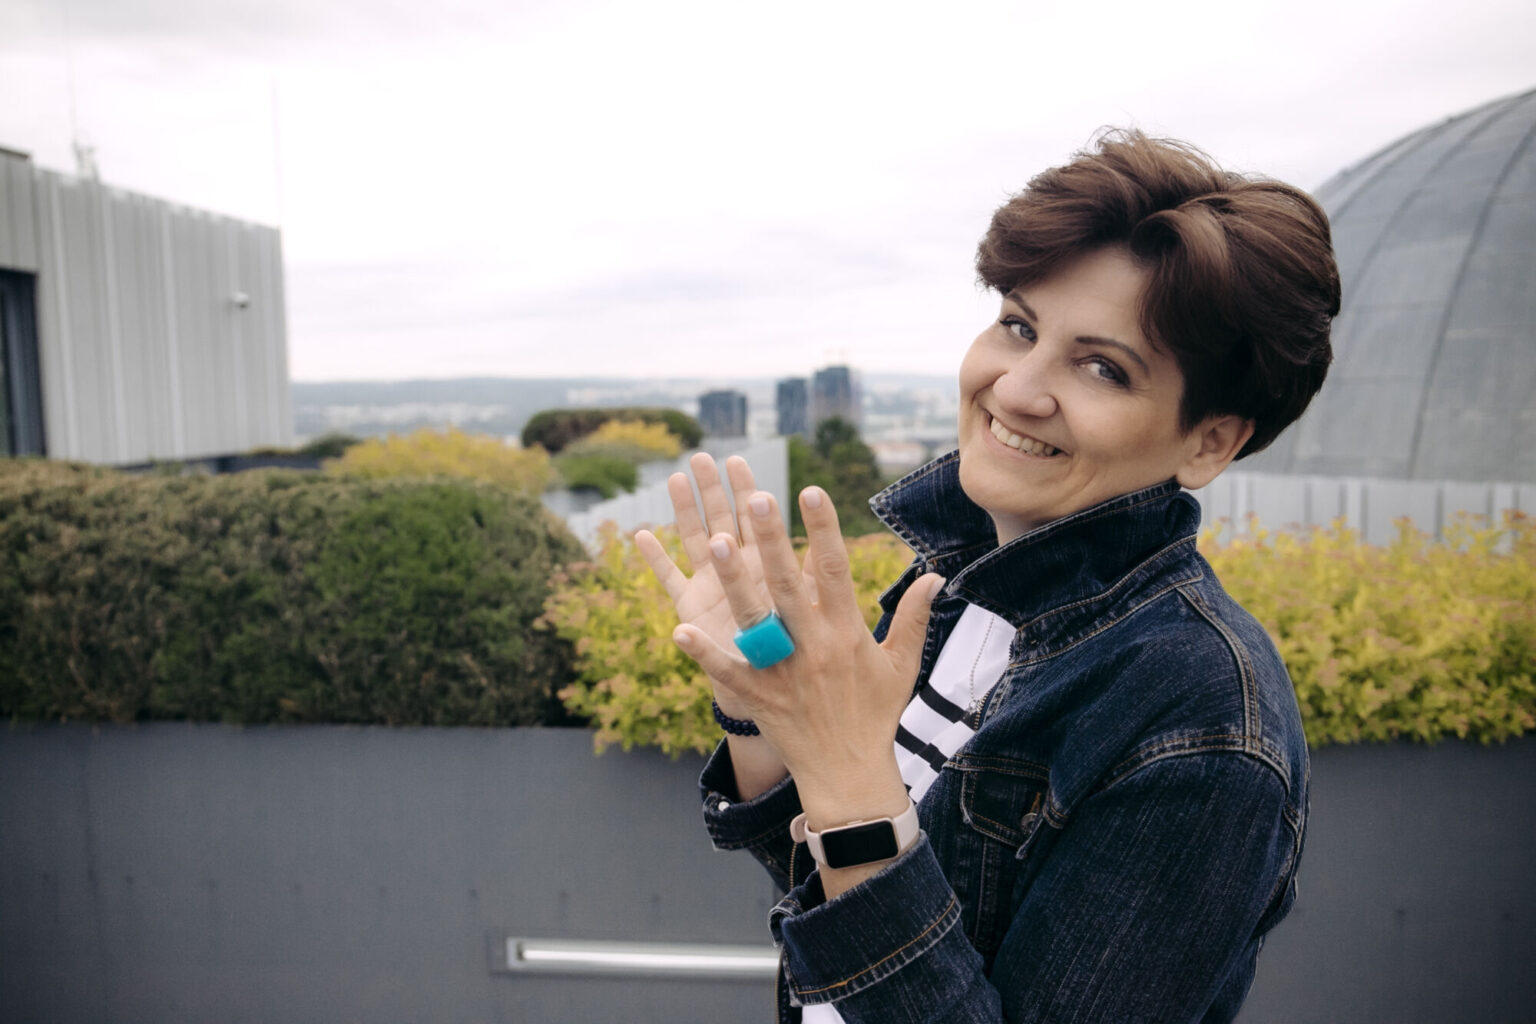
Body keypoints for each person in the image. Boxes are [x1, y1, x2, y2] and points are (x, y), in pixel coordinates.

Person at [636, 129, 1339, 1023]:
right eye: (1018, 325)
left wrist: (850, 782)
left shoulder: (1201, 723)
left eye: (1102, 368)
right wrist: (763, 699)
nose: (1015, 389)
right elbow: (836, 896)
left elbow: (864, 852)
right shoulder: (965, 586)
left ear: (1209, 441)